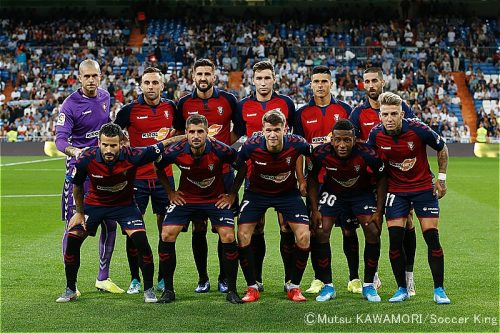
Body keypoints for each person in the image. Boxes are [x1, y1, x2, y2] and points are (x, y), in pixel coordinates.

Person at [55, 123, 184, 303]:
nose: (108, 149)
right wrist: (78, 211)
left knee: (141, 241)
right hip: (95, 204)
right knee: (73, 238)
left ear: (121, 144)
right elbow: (77, 185)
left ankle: (148, 290)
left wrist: (185, 136)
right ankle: (70, 289)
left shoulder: (133, 155)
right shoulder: (86, 157)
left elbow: (163, 144)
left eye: (113, 145)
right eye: (105, 144)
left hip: (125, 206)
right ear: (98, 142)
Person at [367, 92, 450, 304]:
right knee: (395, 240)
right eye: (385, 114)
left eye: (394, 113)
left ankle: (439, 290)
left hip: (423, 188)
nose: (390, 118)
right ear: (380, 116)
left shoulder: (418, 128)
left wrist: (441, 179)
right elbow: (368, 159)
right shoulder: (376, 135)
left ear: (402, 114)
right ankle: (401, 288)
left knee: (432, 237)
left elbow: (442, 148)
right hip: (396, 191)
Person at [154, 114, 243, 304]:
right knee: (167, 234)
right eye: (192, 132)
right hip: (187, 198)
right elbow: (158, 166)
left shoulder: (220, 149)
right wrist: (170, 192)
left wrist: (232, 194)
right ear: (186, 133)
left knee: (228, 235)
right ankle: (168, 290)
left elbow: (242, 167)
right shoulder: (176, 150)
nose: (196, 136)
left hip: (215, 199)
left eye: (200, 132)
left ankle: (232, 290)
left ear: (207, 133)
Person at [228, 110, 312, 303]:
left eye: (277, 129)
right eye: (268, 130)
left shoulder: (297, 143)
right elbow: (239, 166)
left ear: (285, 129)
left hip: (287, 194)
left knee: (304, 235)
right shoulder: (251, 145)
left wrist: (305, 180)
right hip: (257, 194)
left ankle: (294, 287)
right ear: (262, 131)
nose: (273, 134)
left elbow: (314, 158)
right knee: (242, 234)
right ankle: (252, 287)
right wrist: (233, 192)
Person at [175, 58, 243, 293]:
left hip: (223, 174)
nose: (203, 78)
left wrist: (221, 149)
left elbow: (240, 129)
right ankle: (203, 278)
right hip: (194, 176)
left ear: (215, 76)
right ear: (193, 76)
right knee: (198, 227)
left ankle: (224, 277)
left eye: (207, 74)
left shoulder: (229, 100)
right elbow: (177, 132)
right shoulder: (183, 103)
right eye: (199, 74)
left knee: (224, 229)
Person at [55, 59, 123, 294]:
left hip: (102, 170)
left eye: (95, 76)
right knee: (74, 225)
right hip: (78, 171)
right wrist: (76, 151)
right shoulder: (69, 105)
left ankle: (103, 278)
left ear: (100, 76)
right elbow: (60, 140)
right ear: (79, 78)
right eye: (87, 77)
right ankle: (70, 284)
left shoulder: (105, 97)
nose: (92, 80)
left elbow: (106, 128)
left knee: (110, 222)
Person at [349, 66, 417, 296]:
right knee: (372, 226)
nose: (370, 85)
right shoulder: (358, 113)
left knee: (407, 223)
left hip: (399, 179)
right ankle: (373, 275)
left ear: (382, 82)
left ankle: (409, 278)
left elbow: (414, 139)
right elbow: (351, 143)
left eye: (374, 81)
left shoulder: (401, 107)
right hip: (372, 179)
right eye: (366, 81)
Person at [307, 119, 387, 302]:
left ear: (355, 140)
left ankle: (368, 285)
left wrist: (379, 211)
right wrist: (314, 209)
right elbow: (311, 178)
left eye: (347, 140)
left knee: (373, 231)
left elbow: (382, 178)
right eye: (337, 140)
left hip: (361, 194)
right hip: (333, 193)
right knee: (321, 231)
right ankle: (328, 286)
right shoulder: (320, 153)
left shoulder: (367, 153)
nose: (342, 145)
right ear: (331, 139)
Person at [236, 60, 298, 291]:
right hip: (254, 175)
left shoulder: (286, 103)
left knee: (286, 226)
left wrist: (299, 176)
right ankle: (257, 279)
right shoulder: (242, 105)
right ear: (253, 80)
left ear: (274, 79)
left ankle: (290, 280)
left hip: (284, 174)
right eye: (259, 78)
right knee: (257, 227)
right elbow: (237, 136)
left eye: (267, 78)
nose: (263, 82)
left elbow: (294, 139)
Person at [114, 67, 178, 294]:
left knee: (167, 230)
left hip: (164, 179)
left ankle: (162, 278)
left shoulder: (172, 107)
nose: (151, 86)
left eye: (155, 83)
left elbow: (182, 133)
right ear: (141, 85)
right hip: (136, 180)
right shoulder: (129, 110)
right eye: (147, 82)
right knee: (133, 231)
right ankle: (135, 279)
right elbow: (113, 133)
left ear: (162, 85)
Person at [293, 65, 353, 295]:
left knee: (349, 230)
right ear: (310, 84)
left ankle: (354, 278)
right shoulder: (301, 114)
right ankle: (319, 278)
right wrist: (301, 179)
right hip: (316, 182)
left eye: (324, 81)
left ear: (331, 84)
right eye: (316, 81)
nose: (320, 85)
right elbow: (298, 150)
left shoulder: (345, 109)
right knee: (317, 230)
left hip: (343, 182)